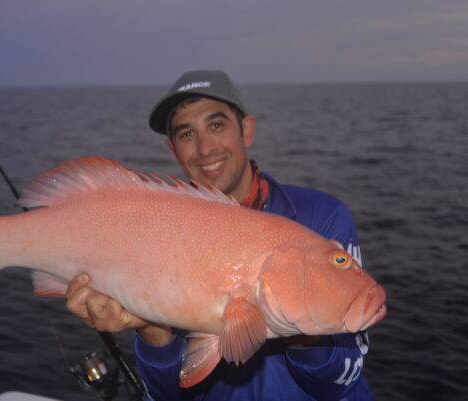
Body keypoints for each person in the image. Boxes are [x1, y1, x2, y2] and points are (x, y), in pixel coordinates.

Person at [66, 70, 374, 400]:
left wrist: (304, 327)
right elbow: (167, 395)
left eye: (216, 125)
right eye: (186, 134)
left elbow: (340, 382)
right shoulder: (155, 232)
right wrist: (153, 330)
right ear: (173, 150)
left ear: (246, 130)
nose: (205, 148)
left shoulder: (322, 217)